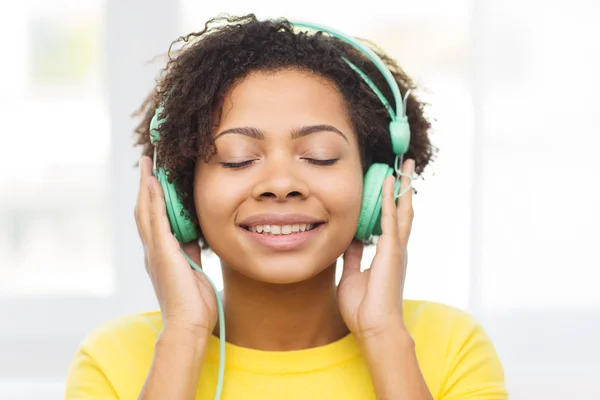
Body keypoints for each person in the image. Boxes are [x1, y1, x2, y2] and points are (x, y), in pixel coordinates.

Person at [65, 14, 507, 400]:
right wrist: (183, 333)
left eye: (319, 156)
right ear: (179, 193)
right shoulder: (114, 359)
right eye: (237, 158)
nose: (280, 184)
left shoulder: (449, 346)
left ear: (379, 186)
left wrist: (384, 337)